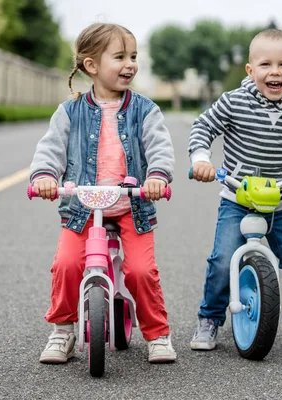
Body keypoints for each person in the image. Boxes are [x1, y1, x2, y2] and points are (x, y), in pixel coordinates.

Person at [29, 23, 176, 364]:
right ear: (91, 65)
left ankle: (157, 334)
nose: (130, 64)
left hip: (131, 206)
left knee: (141, 270)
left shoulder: (145, 110)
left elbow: (160, 148)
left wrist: (156, 176)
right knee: (66, 264)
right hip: (83, 206)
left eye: (134, 57)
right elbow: (50, 150)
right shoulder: (70, 112)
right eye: (120, 57)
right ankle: (63, 331)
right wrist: (45, 177)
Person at [188, 29, 282, 351]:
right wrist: (201, 159)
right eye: (265, 64)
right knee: (223, 260)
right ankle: (209, 319)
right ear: (250, 70)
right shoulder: (234, 102)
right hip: (238, 197)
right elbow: (203, 127)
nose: (274, 72)